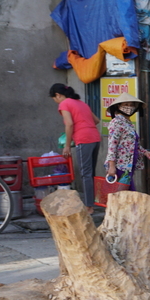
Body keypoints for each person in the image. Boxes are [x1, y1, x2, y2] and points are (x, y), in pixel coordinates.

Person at [49, 83, 101, 214]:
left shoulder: (64, 104)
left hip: (84, 139)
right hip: (95, 137)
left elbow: (70, 124)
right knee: (91, 173)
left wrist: (67, 146)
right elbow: (96, 120)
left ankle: (89, 207)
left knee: (86, 174)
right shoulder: (81, 103)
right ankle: (92, 202)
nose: (56, 102)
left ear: (58, 95)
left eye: (54, 99)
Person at [103, 93, 150, 189]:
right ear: (118, 106)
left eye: (131, 105)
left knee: (127, 196)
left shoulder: (128, 123)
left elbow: (133, 144)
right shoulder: (117, 122)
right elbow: (112, 145)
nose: (129, 107)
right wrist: (112, 166)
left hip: (129, 165)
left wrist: (145, 152)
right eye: (125, 105)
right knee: (123, 196)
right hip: (120, 166)